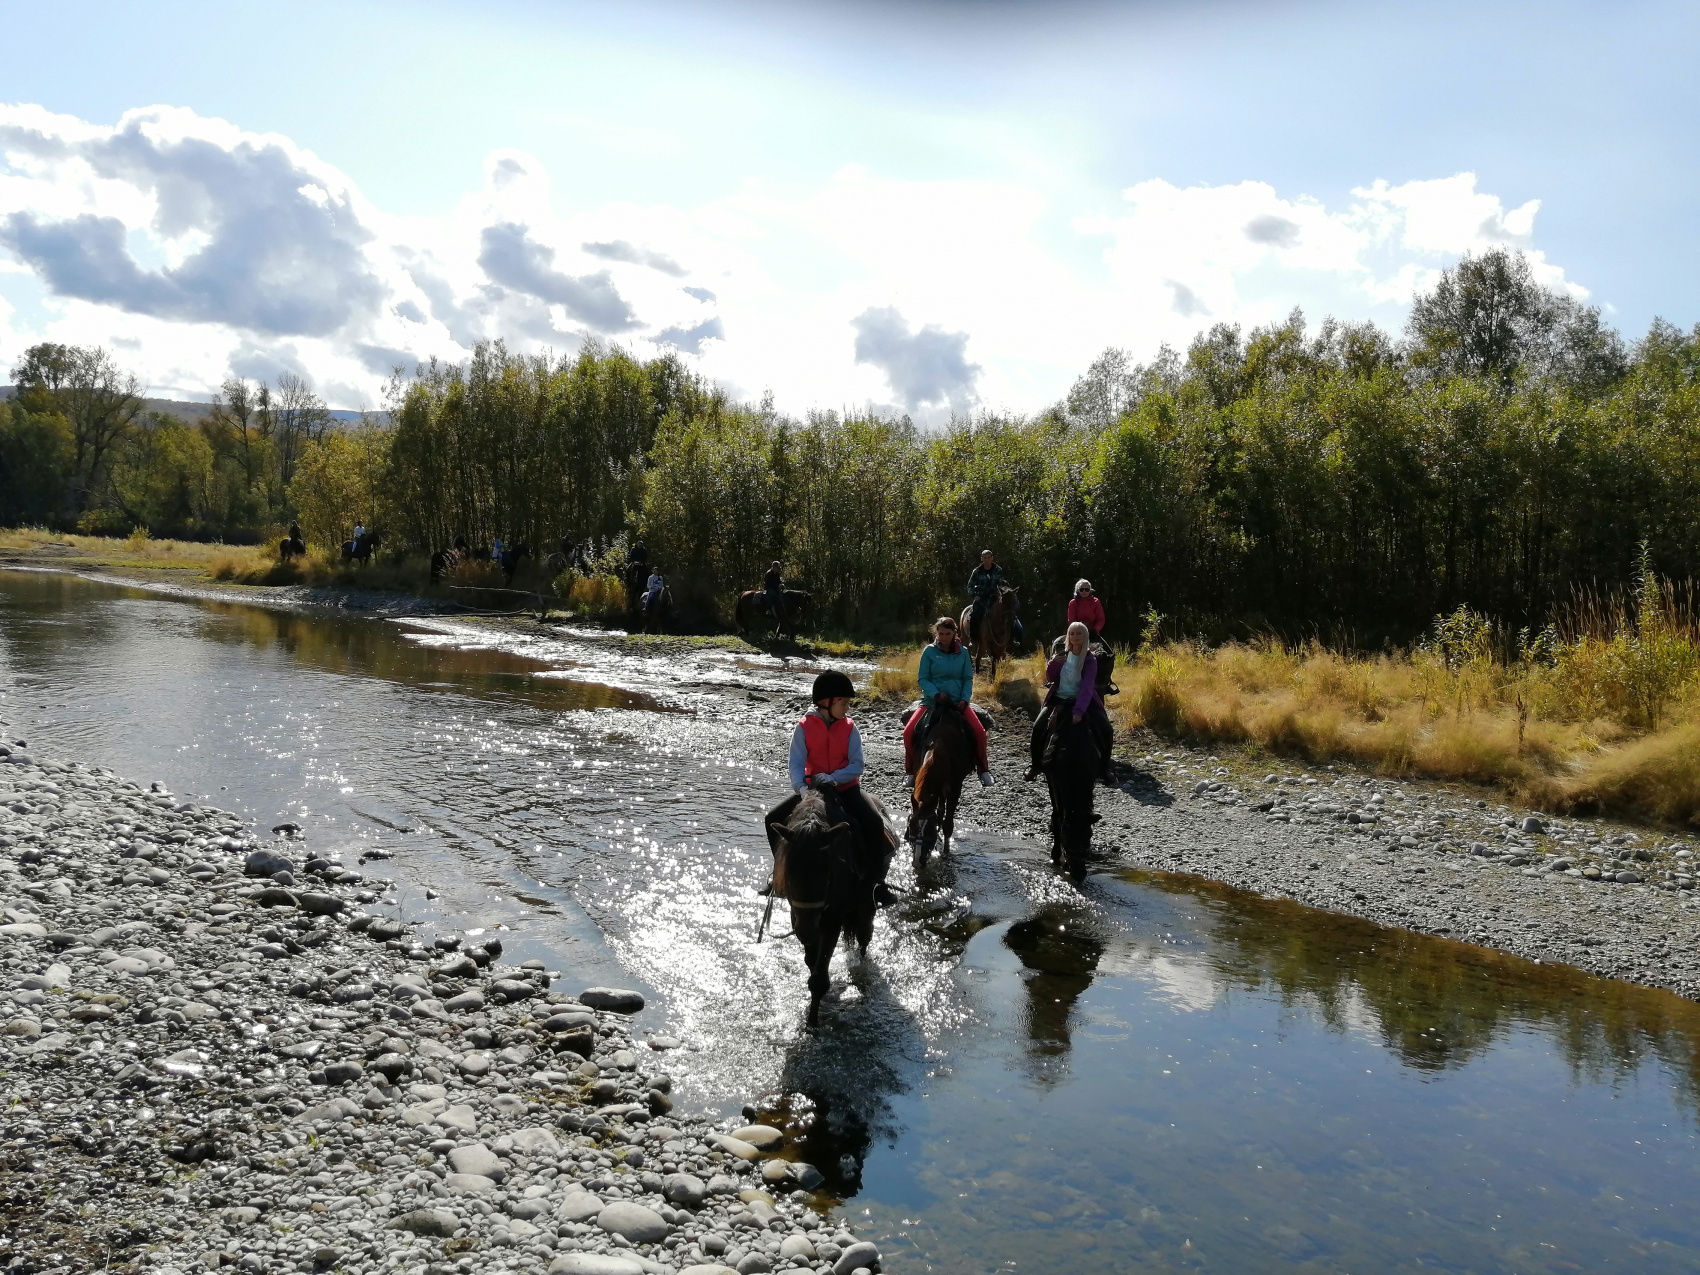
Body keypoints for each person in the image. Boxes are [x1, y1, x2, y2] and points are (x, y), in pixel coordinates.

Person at [786, 670, 896, 906]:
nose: (847, 708)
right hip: (812, 792)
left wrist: (834, 778)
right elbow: (795, 763)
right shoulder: (803, 727)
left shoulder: (850, 728)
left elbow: (857, 765)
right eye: (844, 702)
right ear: (826, 702)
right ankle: (781, 878)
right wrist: (803, 791)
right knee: (772, 819)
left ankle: (877, 884)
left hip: (847, 789)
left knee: (875, 823)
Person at [904, 616, 992, 785]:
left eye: (947, 634)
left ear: (954, 634)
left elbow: (967, 678)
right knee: (908, 732)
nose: (943, 637)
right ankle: (910, 771)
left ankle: (983, 769)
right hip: (932, 701)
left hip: (958, 701)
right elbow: (923, 678)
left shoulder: (963, 652)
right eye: (940, 633)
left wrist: (964, 700)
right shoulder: (929, 651)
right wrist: (936, 694)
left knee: (980, 732)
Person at [1026, 621, 1113, 784]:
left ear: (1085, 636)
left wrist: (1079, 710)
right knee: (1038, 727)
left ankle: (1104, 768)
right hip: (1058, 699)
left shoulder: (1089, 659)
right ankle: (1035, 766)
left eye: (1079, 633)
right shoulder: (1062, 655)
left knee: (1106, 729)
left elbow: (1087, 686)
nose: (1075, 637)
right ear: (1068, 636)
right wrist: (1053, 663)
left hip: (1082, 700)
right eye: (1072, 634)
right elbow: (1051, 678)